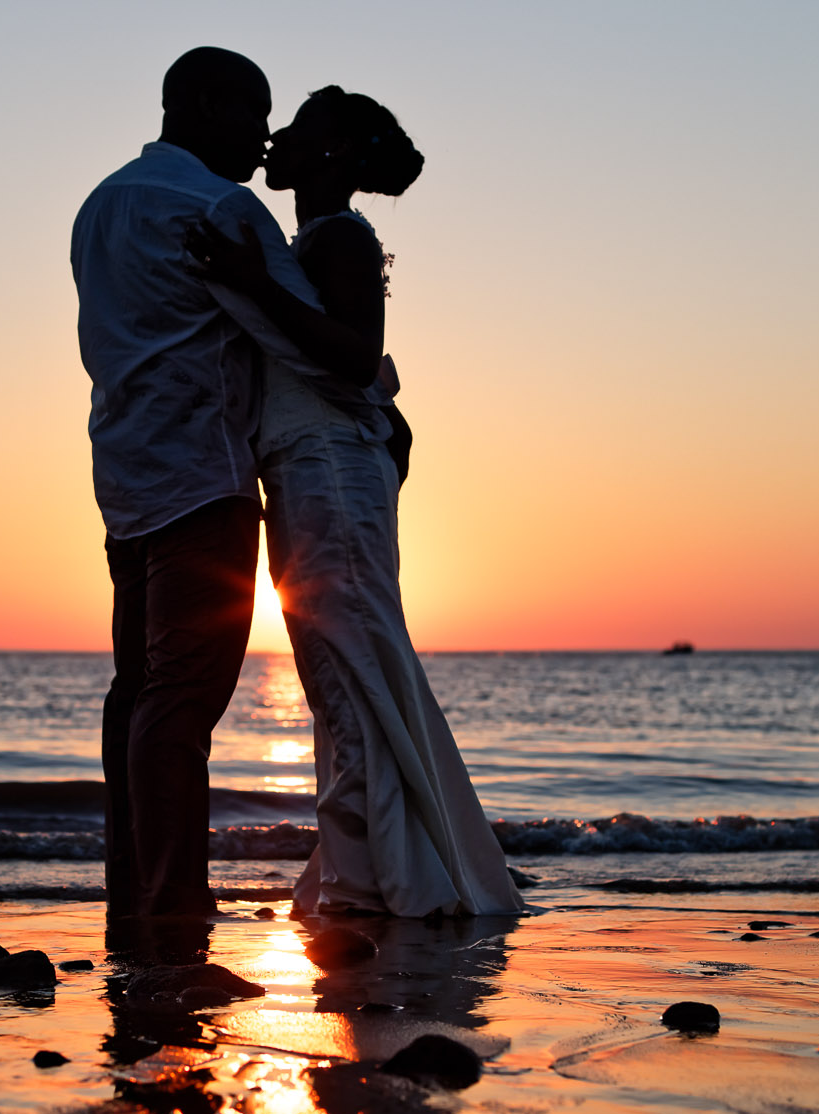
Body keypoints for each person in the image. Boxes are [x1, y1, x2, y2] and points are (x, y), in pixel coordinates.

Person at [188, 87, 526, 917]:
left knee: (350, 663)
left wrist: (251, 284)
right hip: (311, 468)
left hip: (329, 472)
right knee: (339, 667)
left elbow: (352, 355)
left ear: (332, 155)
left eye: (298, 129)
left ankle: (389, 877)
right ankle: (376, 863)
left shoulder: (339, 236)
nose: (276, 138)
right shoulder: (312, 239)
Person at [70, 48, 325, 916]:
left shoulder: (98, 207)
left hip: (124, 479)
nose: (262, 137)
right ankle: (174, 905)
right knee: (179, 701)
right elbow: (313, 337)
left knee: (136, 692)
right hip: (203, 483)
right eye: (253, 113)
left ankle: (133, 893)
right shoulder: (221, 207)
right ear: (207, 105)